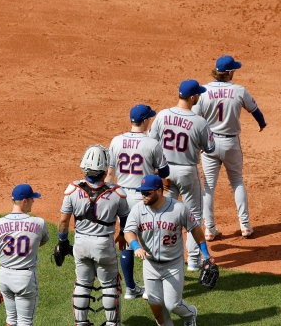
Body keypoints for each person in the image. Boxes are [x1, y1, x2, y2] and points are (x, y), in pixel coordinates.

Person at [192, 55, 267, 241]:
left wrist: (199, 141)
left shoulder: (204, 91)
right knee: (237, 182)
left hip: (209, 143)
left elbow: (194, 118)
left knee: (208, 187)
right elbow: (256, 111)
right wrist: (262, 124)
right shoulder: (239, 91)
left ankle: (209, 230)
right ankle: (245, 226)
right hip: (231, 143)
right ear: (230, 73)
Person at [124, 174, 212, 326]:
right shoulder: (138, 209)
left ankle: (191, 314)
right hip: (150, 265)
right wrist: (136, 246)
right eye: (142, 192)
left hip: (173, 265)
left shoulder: (178, 208)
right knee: (155, 304)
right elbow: (128, 232)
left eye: (147, 192)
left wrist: (206, 254)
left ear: (159, 191)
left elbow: (195, 230)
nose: (143, 195)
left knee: (173, 304)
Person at [58, 144, 130, 326]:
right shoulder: (117, 193)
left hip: (81, 244)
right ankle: (112, 324)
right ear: (105, 169)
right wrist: (121, 235)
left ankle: (81, 323)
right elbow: (125, 219)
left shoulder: (72, 189)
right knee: (109, 286)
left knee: (82, 284)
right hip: (104, 245)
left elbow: (64, 221)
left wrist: (62, 242)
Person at [148, 79, 215, 271]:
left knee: (164, 213)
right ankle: (194, 261)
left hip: (165, 173)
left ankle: (162, 255)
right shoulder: (199, 121)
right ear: (193, 97)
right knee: (193, 216)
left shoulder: (162, 115)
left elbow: (152, 143)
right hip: (187, 172)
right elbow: (210, 148)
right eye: (198, 95)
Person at [105, 104, 170, 300]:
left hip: (121, 196)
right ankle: (150, 289)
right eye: (149, 118)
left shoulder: (116, 141)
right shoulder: (152, 144)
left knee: (126, 239)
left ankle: (130, 289)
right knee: (150, 241)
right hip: (144, 198)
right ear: (144, 121)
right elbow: (165, 172)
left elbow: (109, 174)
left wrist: (108, 199)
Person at [0, 184, 50, 326]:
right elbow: (40, 242)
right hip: (25, 278)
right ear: (25, 201)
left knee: (11, 320)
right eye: (32, 199)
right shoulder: (39, 223)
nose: (33, 202)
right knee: (25, 322)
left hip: (5, 277)